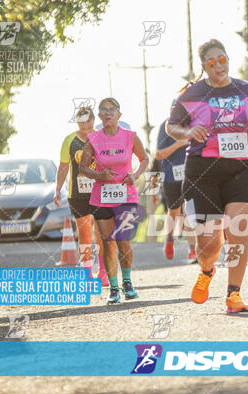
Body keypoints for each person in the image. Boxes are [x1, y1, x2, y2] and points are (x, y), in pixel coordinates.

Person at [167, 39, 248, 313]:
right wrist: (188, 133)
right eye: (212, 63)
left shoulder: (247, 90)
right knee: (209, 245)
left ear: (228, 59)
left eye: (222, 59)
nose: (218, 66)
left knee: (239, 232)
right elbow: (171, 127)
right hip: (203, 171)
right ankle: (207, 270)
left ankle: (233, 295)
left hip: (241, 169)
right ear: (204, 67)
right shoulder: (192, 94)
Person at [80, 98, 149, 305]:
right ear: (99, 116)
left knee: (123, 240)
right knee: (108, 243)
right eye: (104, 110)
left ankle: (127, 282)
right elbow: (83, 168)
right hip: (102, 197)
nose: (108, 113)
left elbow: (144, 159)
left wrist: (135, 175)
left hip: (126, 195)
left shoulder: (130, 137)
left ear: (119, 115)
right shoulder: (92, 139)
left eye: (112, 110)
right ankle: (113, 287)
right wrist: (99, 175)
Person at [54, 106, 109, 286]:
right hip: (78, 194)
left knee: (100, 232)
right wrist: (57, 190)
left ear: (93, 121)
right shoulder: (69, 140)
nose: (85, 124)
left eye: (88, 120)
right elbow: (63, 167)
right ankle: (87, 270)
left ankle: (102, 271)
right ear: (77, 121)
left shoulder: (102, 137)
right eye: (81, 120)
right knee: (85, 234)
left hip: (100, 192)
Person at [155, 119, 196, 263]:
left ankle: (192, 249)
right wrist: (180, 143)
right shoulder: (165, 126)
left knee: (188, 210)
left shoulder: (194, 124)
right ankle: (169, 238)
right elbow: (159, 155)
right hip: (171, 176)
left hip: (191, 174)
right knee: (174, 211)